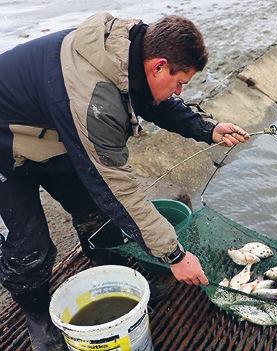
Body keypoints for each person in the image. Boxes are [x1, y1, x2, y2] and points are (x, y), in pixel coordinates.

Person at [0, 13, 249, 350]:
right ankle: (38, 319)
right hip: (6, 144)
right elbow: (118, 190)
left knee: (96, 215)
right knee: (31, 247)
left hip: (55, 131)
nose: (178, 91)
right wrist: (174, 257)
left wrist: (208, 128)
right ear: (159, 66)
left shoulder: (133, 50)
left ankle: (114, 272)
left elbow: (152, 100)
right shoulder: (96, 102)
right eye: (180, 83)